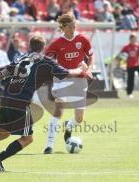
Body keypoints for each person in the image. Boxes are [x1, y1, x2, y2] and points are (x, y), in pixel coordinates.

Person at [0, 35, 88, 172]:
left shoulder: (19, 58)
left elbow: (0, 74)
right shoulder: (45, 61)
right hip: (20, 102)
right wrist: (82, 69)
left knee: (4, 133)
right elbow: (68, 73)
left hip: (6, 98)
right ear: (43, 48)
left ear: (29, 46)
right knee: (27, 138)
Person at [43, 14, 93, 154]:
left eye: (74, 25)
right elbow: (47, 60)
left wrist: (88, 68)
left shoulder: (83, 39)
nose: (73, 28)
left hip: (80, 79)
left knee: (79, 118)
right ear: (63, 27)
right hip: (62, 80)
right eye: (70, 26)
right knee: (59, 110)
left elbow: (91, 55)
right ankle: (49, 145)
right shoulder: (57, 43)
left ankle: (69, 127)